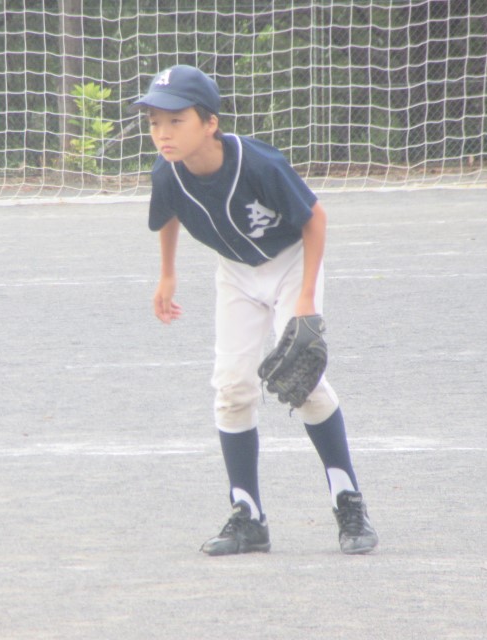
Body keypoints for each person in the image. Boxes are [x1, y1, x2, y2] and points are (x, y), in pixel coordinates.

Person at [131, 65, 378, 555]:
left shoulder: (258, 163)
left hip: (291, 264)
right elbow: (167, 214)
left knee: (304, 382)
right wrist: (167, 274)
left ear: (210, 123)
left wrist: (305, 298)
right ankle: (249, 518)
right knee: (231, 389)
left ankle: (348, 502)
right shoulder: (166, 171)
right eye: (155, 122)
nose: (162, 132)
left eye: (176, 120)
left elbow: (315, 218)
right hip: (236, 274)